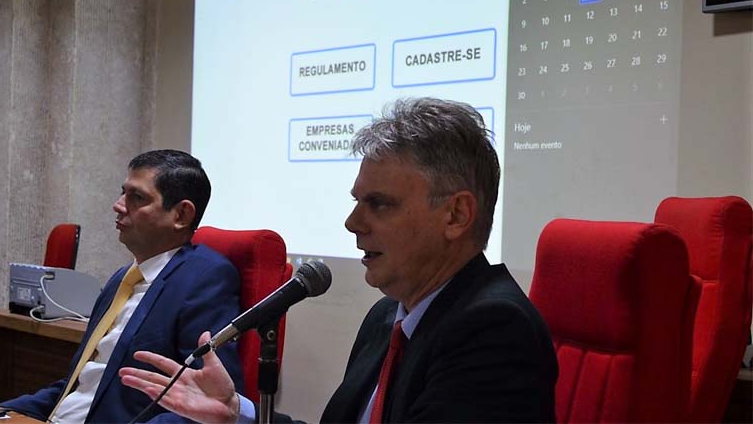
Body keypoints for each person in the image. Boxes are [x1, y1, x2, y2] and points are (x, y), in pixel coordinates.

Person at [119, 99, 558, 423]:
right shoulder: (387, 316)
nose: (353, 223)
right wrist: (237, 414)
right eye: (356, 202)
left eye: (379, 204)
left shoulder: (494, 328)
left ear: (456, 215)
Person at [1, 150, 245, 423]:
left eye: (137, 197)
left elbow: (210, 407)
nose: (118, 206)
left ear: (181, 214)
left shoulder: (204, 278)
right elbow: (82, 386)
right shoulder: (122, 279)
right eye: (123, 193)